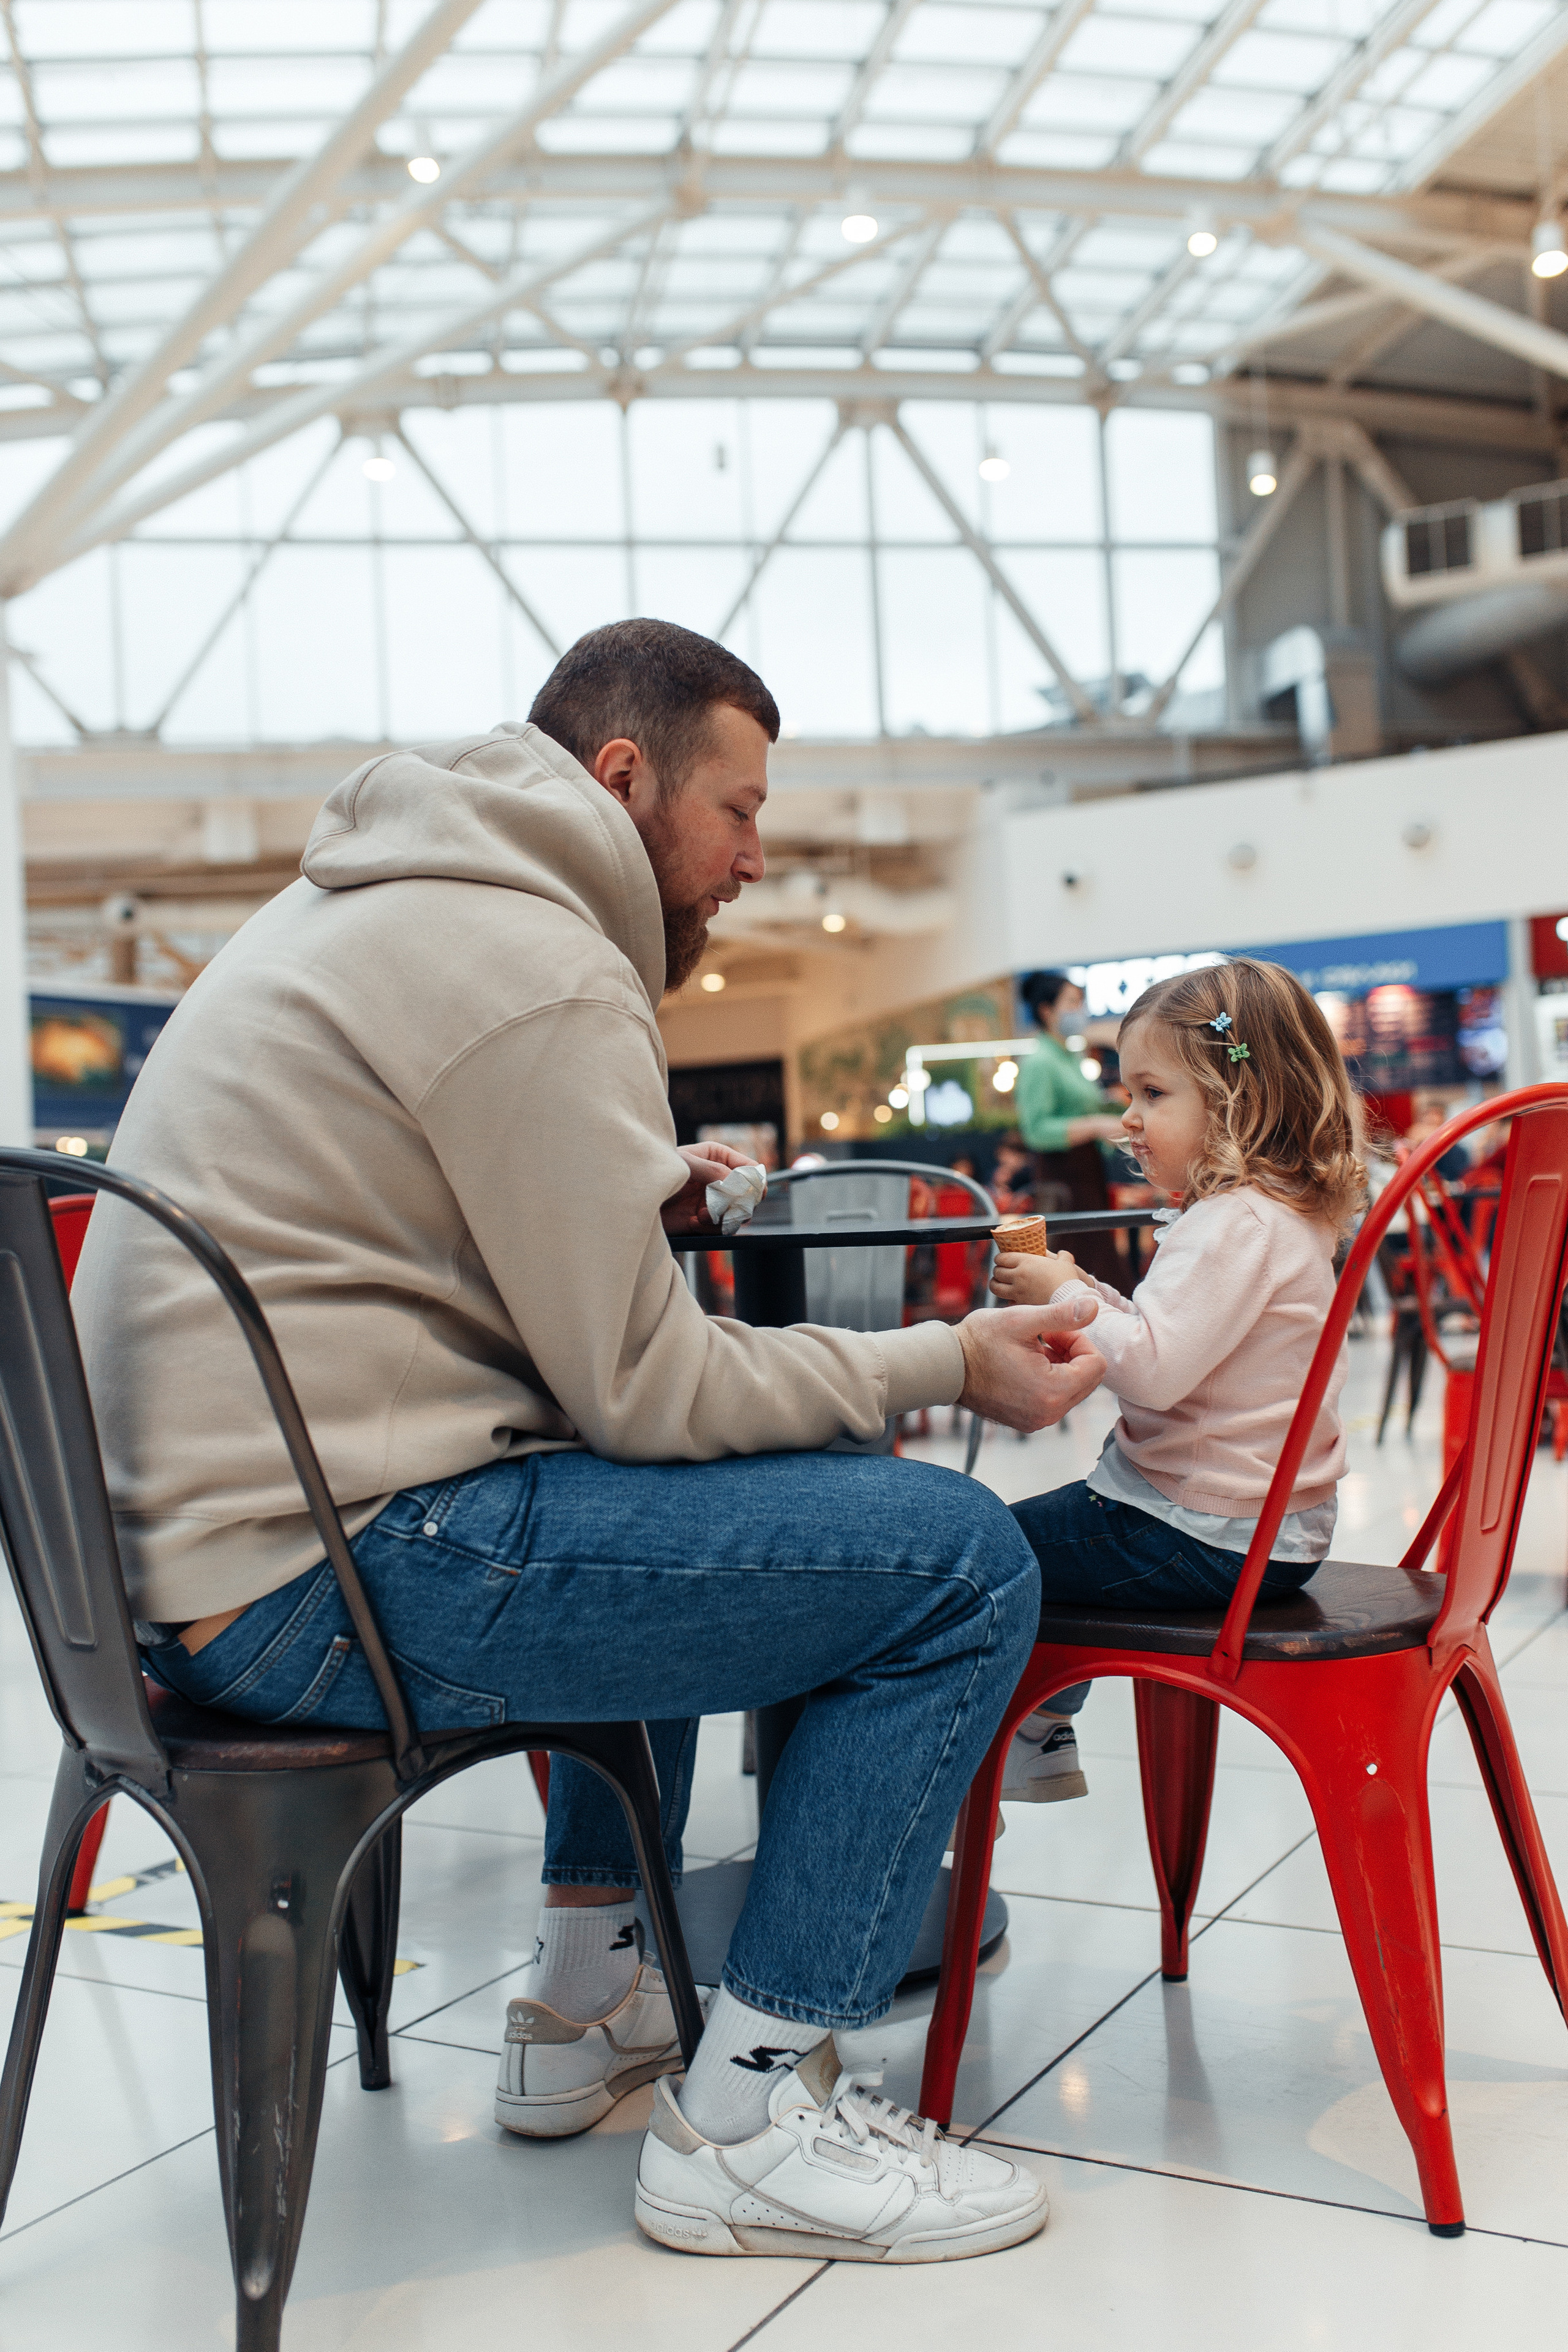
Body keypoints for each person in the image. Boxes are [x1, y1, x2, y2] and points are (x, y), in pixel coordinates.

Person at [74, 618, 1106, 2266]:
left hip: (206, 1568)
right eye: (738, 811)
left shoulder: (397, 899)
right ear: (622, 776)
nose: (755, 862)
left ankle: (584, 1999)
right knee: (961, 1564)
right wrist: (951, 1362)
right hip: (318, 1579)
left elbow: (442, 1268)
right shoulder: (543, 953)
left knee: (669, 1502)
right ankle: (757, 2116)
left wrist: (626, 1199)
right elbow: (648, 1393)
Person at [990, 959, 1363, 1803]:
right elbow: (1180, 1341)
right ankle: (1040, 1726)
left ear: (1239, 1102)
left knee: (979, 1549)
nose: (1126, 1118)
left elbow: (1152, 1372)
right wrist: (1083, 1294)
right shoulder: (1276, 1216)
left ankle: (1023, 1731)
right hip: (1273, 1534)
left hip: (1192, 1529)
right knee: (1027, 1541)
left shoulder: (1230, 1223)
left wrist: (1066, 1300)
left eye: (1152, 1095)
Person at [1014, 971, 1130, 1293]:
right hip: (1062, 1178)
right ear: (1046, 1011)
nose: (1081, 1010)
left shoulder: (1069, 1056)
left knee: (1098, 1265)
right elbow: (1036, 1131)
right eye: (1072, 1003)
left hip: (1087, 1172)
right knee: (1078, 1266)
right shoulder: (1039, 1061)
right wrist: (1095, 1126)